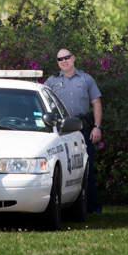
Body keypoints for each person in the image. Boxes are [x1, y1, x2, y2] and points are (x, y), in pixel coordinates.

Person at [44, 49, 103, 214]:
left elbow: (96, 103)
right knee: (63, 168)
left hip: (82, 130)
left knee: (86, 169)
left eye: (67, 57)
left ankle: (92, 208)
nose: (64, 61)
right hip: (61, 132)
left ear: (73, 58)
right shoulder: (51, 81)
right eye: (60, 59)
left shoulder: (86, 79)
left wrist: (97, 127)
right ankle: (65, 206)